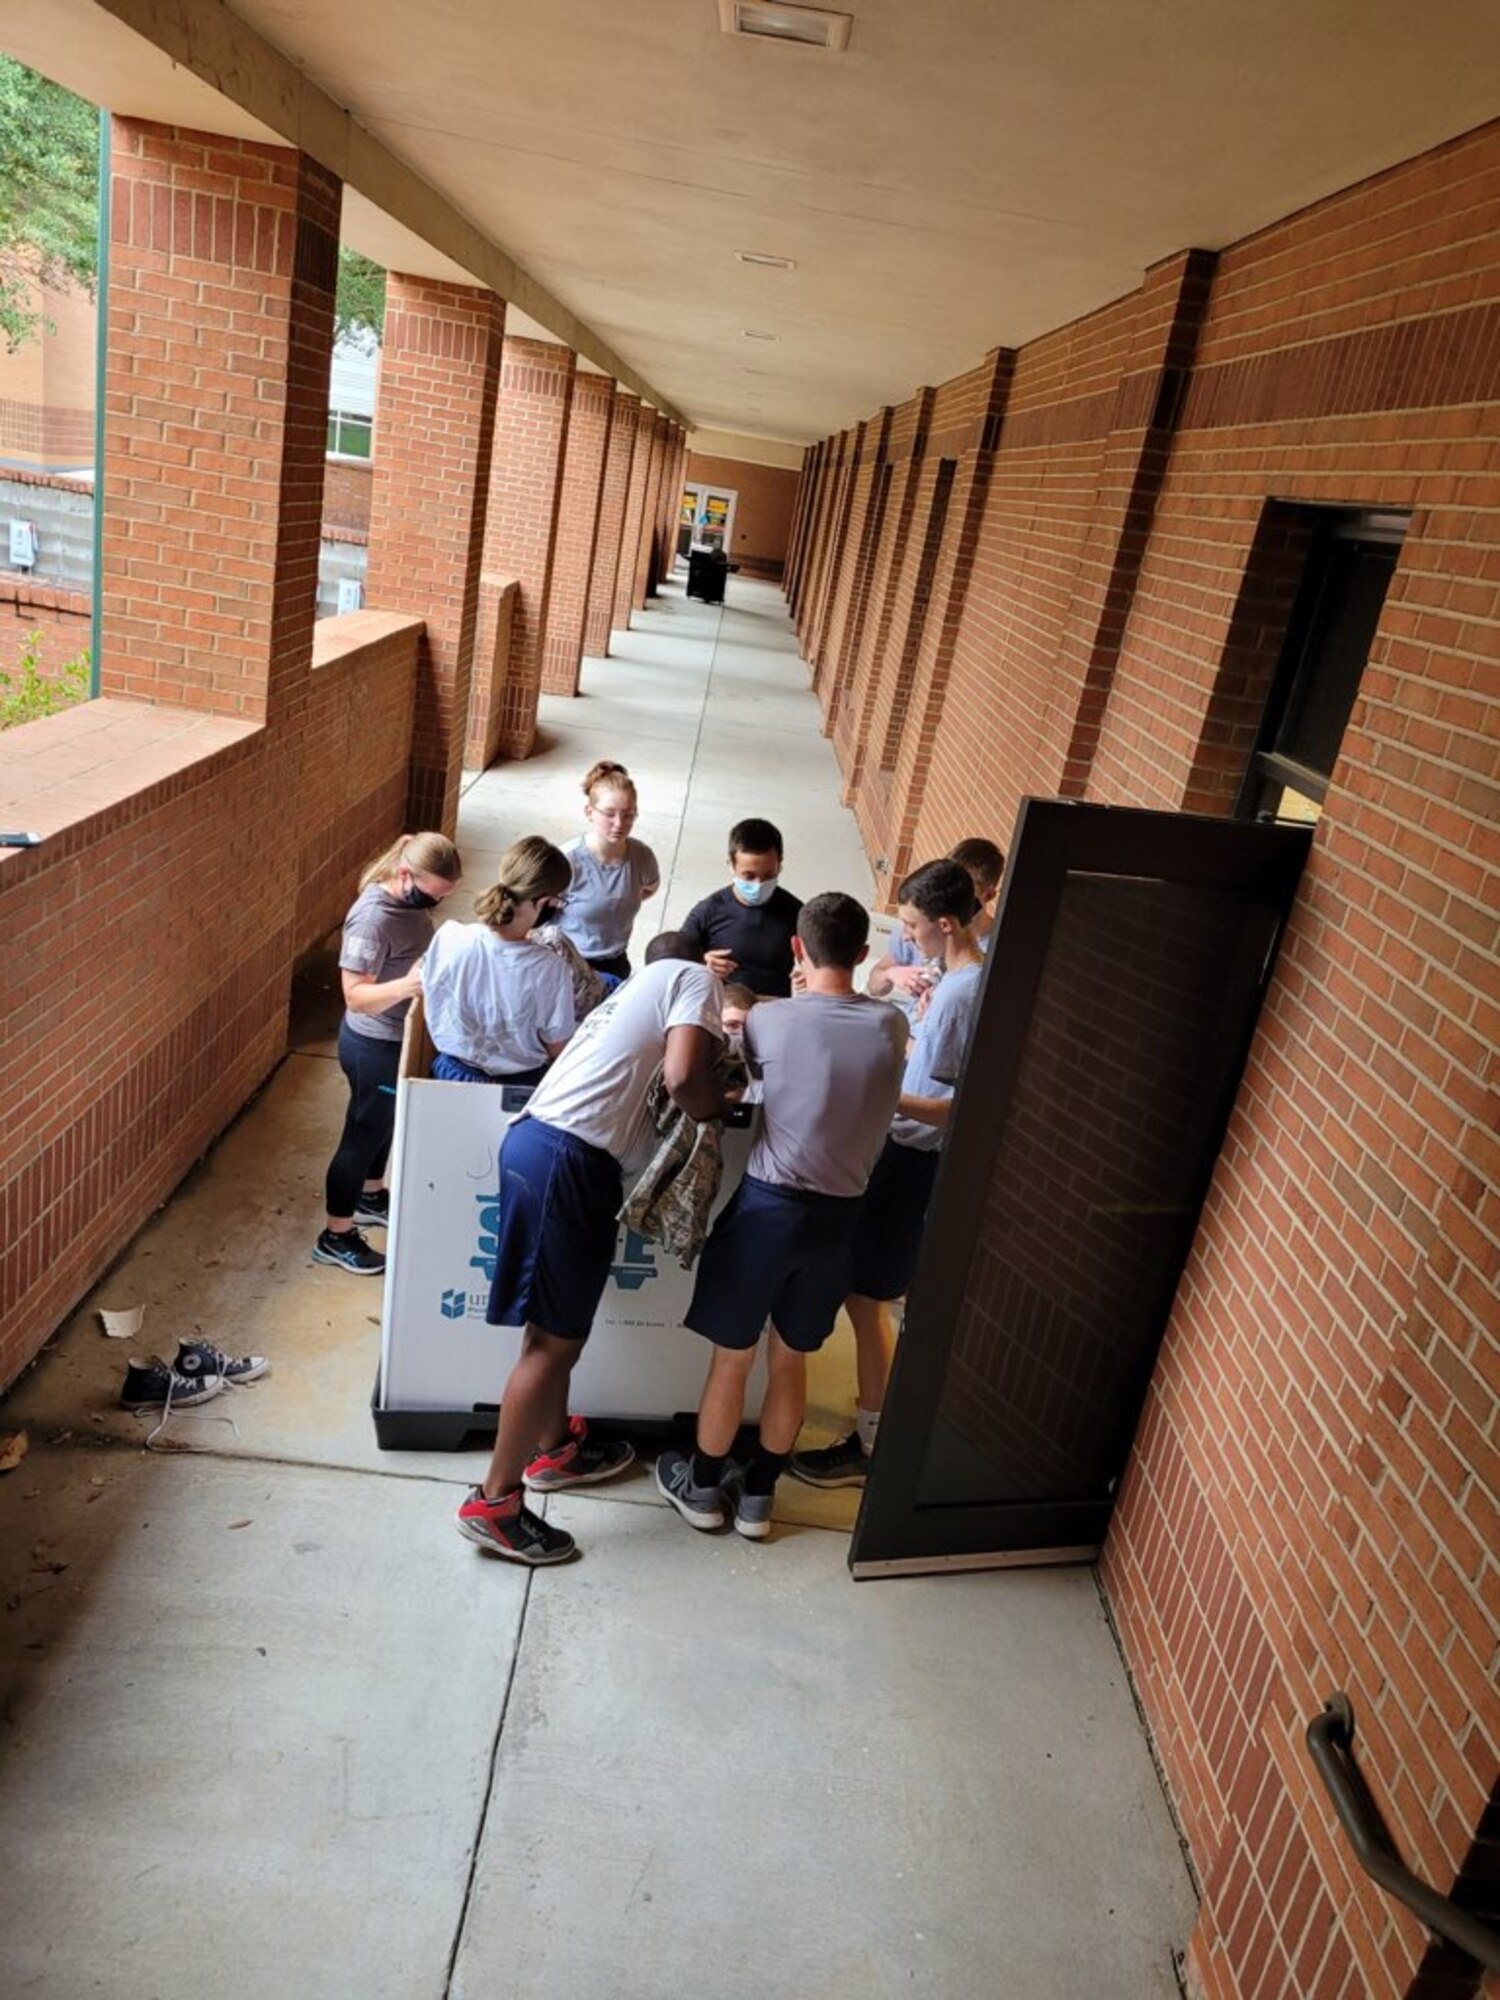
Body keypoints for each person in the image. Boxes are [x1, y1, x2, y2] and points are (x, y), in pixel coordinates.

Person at [453, 930, 735, 1567]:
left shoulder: (630, 995)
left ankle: (555, 1449)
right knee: (550, 1342)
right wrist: (716, 1108)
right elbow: (686, 1074)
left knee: (560, 1330)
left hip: (549, 1150)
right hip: (565, 1159)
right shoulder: (693, 980)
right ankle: (493, 1504)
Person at [656, 893, 907, 1539]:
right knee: (791, 1357)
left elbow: (750, 1072)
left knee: (732, 1359)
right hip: (839, 1220)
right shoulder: (890, 1027)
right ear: (861, 952)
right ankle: (761, 1498)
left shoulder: (771, 1024)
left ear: (797, 948)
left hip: (768, 1209)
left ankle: (705, 1488)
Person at [789, 858, 984, 1488]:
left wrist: (880, 1088)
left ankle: (873, 1443)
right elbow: (927, 1061)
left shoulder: (965, 992)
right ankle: (874, 1432)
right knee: (862, 1297)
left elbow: (961, 1111)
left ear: (946, 923)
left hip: (912, 1162)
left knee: (869, 1298)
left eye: (912, 924)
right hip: (895, 1150)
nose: (907, 935)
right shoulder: (946, 983)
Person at [315, 831, 462, 1276]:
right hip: (371, 1042)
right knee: (363, 1132)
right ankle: (335, 1236)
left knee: (385, 1123)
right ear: (404, 875)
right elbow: (354, 995)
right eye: (431, 895)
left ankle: (370, 1194)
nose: (433, 904)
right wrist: (410, 984)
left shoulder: (407, 903)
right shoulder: (372, 919)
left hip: (397, 1035)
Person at [420, 836, 576, 1085]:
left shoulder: (449, 936)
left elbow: (430, 999)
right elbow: (557, 1046)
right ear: (544, 902)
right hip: (517, 1085)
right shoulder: (550, 968)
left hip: (451, 1072)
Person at [864, 836, 1004, 1005]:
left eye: (964, 890)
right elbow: (873, 985)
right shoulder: (916, 928)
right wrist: (891, 974)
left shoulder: (994, 951)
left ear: (988, 895)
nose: (947, 894)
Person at [556, 760, 660, 982]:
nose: (619, 823)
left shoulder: (642, 855)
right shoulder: (567, 860)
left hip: (615, 961)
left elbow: (649, 887)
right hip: (568, 963)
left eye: (628, 815)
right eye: (609, 814)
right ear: (589, 812)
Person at [676, 817, 802, 996]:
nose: (759, 884)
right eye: (749, 876)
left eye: (768, 875)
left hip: (773, 1008)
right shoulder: (707, 912)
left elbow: (821, 962)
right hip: (721, 1007)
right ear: (731, 866)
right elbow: (675, 962)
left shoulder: (797, 913)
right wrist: (702, 963)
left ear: (779, 864)